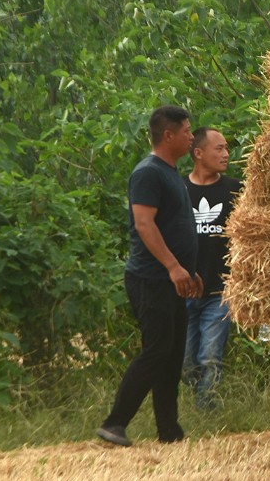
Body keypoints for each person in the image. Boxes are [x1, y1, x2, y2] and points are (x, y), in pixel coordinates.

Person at [98, 105, 202, 447]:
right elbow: (144, 224)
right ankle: (115, 423)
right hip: (151, 278)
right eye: (186, 131)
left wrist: (190, 271)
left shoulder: (172, 173)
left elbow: (176, 228)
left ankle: (169, 431)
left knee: (172, 354)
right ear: (168, 135)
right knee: (157, 350)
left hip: (174, 279)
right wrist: (173, 267)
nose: (191, 137)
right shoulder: (148, 173)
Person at [182, 126, 242, 411]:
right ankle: (192, 407)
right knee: (185, 362)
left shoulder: (235, 190)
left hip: (220, 291)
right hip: (182, 291)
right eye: (219, 148)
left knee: (210, 357)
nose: (226, 154)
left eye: (226, 148)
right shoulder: (179, 190)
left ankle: (206, 411)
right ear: (198, 153)